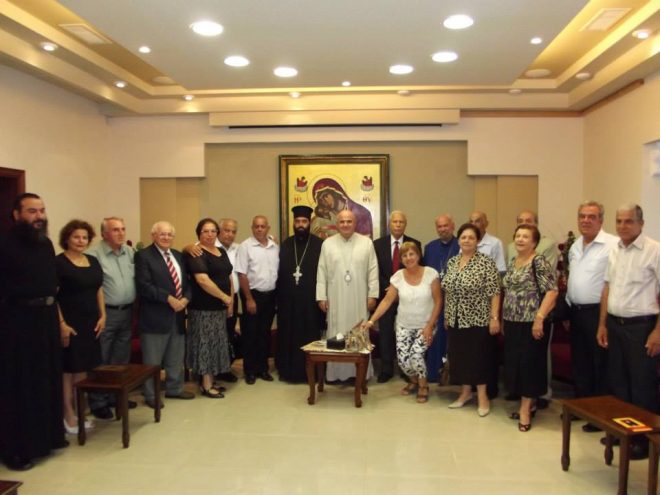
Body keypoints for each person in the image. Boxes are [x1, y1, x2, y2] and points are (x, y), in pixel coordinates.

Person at [0, 193, 67, 471]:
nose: (39, 216)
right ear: (16, 214)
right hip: (18, 322)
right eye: (32, 211)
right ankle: (17, 449)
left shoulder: (45, 244)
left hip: (46, 319)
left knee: (46, 379)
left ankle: (48, 438)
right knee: (21, 385)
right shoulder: (5, 244)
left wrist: (58, 321)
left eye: (42, 210)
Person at [597, 204, 660, 460]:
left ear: (641, 224)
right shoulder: (615, 249)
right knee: (618, 384)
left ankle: (643, 441)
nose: (623, 226)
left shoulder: (654, 250)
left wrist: (657, 332)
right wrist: (602, 324)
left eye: (629, 221)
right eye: (619, 221)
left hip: (641, 327)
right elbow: (607, 288)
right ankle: (622, 433)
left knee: (641, 386)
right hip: (615, 324)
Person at [362, 242, 441, 402]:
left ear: (418, 255)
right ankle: (413, 381)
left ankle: (423, 385)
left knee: (416, 355)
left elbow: (438, 301)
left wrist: (430, 325)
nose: (408, 258)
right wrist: (371, 321)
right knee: (403, 360)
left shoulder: (431, 274)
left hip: (425, 325)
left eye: (411, 254)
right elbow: (387, 301)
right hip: (404, 325)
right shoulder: (398, 277)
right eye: (404, 255)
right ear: (401, 259)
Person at [566, 201, 617, 432]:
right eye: (582, 216)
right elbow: (573, 278)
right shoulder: (575, 246)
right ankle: (582, 408)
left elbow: (610, 284)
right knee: (580, 363)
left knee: (599, 365)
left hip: (598, 313)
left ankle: (598, 415)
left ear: (601, 220)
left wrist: (603, 322)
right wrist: (568, 308)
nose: (585, 220)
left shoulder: (612, 245)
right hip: (576, 312)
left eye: (591, 216)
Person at [502, 224, 558, 432]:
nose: (520, 239)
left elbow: (552, 292)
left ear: (534, 242)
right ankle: (528, 403)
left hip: (532, 323)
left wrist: (539, 318)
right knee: (516, 365)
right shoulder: (513, 261)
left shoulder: (539, 261)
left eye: (525, 237)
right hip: (512, 321)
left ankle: (525, 410)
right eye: (518, 236)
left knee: (529, 366)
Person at [443, 223, 500, 417]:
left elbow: (495, 292)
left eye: (471, 237)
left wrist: (494, 318)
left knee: (479, 358)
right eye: (463, 237)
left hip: (478, 319)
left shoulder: (485, 262)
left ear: (477, 241)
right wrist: (447, 315)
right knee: (460, 358)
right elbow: (448, 291)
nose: (467, 240)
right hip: (456, 319)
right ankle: (465, 393)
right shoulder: (453, 262)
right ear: (459, 240)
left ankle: (483, 397)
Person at [135, 221, 193, 408]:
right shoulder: (143, 256)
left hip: (177, 315)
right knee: (152, 361)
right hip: (155, 316)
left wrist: (186, 299)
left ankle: (175, 389)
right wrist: (168, 298)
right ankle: (151, 395)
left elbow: (188, 283)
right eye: (162, 234)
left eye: (169, 234)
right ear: (153, 236)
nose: (166, 237)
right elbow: (144, 285)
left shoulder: (178, 256)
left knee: (175, 357)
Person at [317, 209, 378, 382]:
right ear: (337, 224)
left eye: (349, 221)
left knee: (359, 332)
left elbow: (373, 271)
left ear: (355, 223)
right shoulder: (327, 244)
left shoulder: (366, 243)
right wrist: (321, 297)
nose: (345, 224)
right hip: (335, 297)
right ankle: (336, 374)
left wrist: (372, 295)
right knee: (336, 332)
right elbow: (321, 272)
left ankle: (360, 374)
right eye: (342, 221)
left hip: (359, 297)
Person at [56, 220, 105, 435]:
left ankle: (80, 412)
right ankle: (67, 415)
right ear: (67, 239)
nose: (81, 241)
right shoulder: (58, 263)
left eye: (85, 237)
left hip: (91, 323)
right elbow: (54, 296)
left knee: (83, 370)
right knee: (68, 370)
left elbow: (98, 289)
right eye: (76, 237)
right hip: (70, 324)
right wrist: (62, 324)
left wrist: (103, 315)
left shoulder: (92, 261)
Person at [87, 217, 138, 420]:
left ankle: (116, 396)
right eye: (115, 230)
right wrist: (102, 314)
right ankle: (98, 401)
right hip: (106, 313)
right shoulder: (94, 255)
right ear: (104, 234)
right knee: (102, 358)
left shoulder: (129, 252)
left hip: (127, 312)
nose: (121, 233)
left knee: (121, 358)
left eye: (123, 229)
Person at [184, 218, 240, 382]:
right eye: (205, 231)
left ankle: (212, 379)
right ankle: (206, 384)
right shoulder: (195, 252)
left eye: (213, 231)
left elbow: (228, 276)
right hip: (203, 307)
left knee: (217, 343)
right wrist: (224, 297)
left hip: (220, 307)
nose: (210, 234)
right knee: (205, 344)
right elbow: (202, 280)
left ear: (217, 233)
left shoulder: (221, 251)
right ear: (199, 233)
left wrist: (231, 301)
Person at [276, 206, 325, 382]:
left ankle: (310, 373)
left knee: (310, 336)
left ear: (309, 223)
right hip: (288, 303)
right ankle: (288, 372)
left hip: (310, 304)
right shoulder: (286, 245)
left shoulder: (319, 245)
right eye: (297, 221)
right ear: (293, 223)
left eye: (304, 221)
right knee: (288, 336)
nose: (300, 225)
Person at [372, 211, 422, 383]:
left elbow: (416, 268)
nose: (398, 224)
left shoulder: (415, 243)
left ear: (405, 224)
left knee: (406, 333)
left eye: (401, 222)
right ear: (389, 224)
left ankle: (406, 370)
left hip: (406, 297)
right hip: (386, 295)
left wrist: (401, 289)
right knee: (385, 333)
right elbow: (375, 270)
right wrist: (390, 289)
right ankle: (386, 369)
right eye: (395, 221)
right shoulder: (377, 244)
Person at [235, 215, 279, 384]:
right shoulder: (245, 246)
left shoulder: (274, 247)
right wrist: (249, 299)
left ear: (268, 228)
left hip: (270, 296)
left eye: (262, 226)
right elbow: (242, 274)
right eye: (256, 226)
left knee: (264, 334)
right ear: (252, 228)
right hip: (253, 295)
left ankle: (263, 369)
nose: (259, 229)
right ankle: (250, 371)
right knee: (250, 334)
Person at [423, 214, 460, 382]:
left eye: (446, 225)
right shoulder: (430, 247)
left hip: (455, 299)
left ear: (452, 226)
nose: (443, 229)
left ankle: (452, 374)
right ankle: (433, 372)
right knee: (435, 335)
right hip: (434, 299)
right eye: (439, 226)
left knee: (452, 338)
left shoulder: (461, 245)